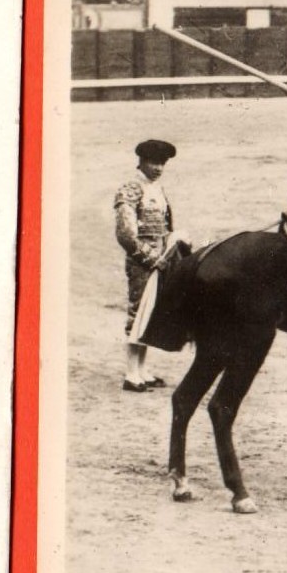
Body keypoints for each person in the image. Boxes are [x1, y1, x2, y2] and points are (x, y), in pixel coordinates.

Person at [115, 138, 178, 392]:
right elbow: (126, 235)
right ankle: (131, 374)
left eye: (162, 163)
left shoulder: (157, 188)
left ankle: (142, 370)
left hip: (161, 261)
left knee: (150, 315)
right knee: (137, 313)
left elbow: (166, 226)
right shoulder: (130, 189)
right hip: (143, 264)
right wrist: (153, 259)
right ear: (141, 161)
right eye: (154, 162)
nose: (159, 167)